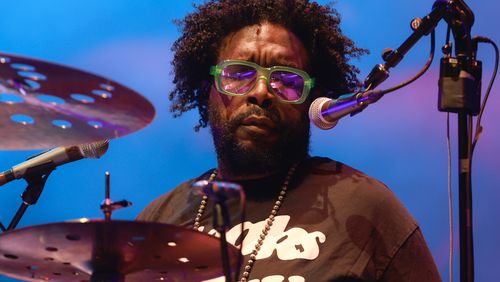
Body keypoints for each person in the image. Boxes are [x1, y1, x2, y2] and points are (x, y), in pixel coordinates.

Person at [138, 0, 442, 281]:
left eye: (286, 79)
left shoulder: (364, 206)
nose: (260, 92)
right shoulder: (158, 220)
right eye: (240, 73)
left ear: (313, 96)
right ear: (208, 89)